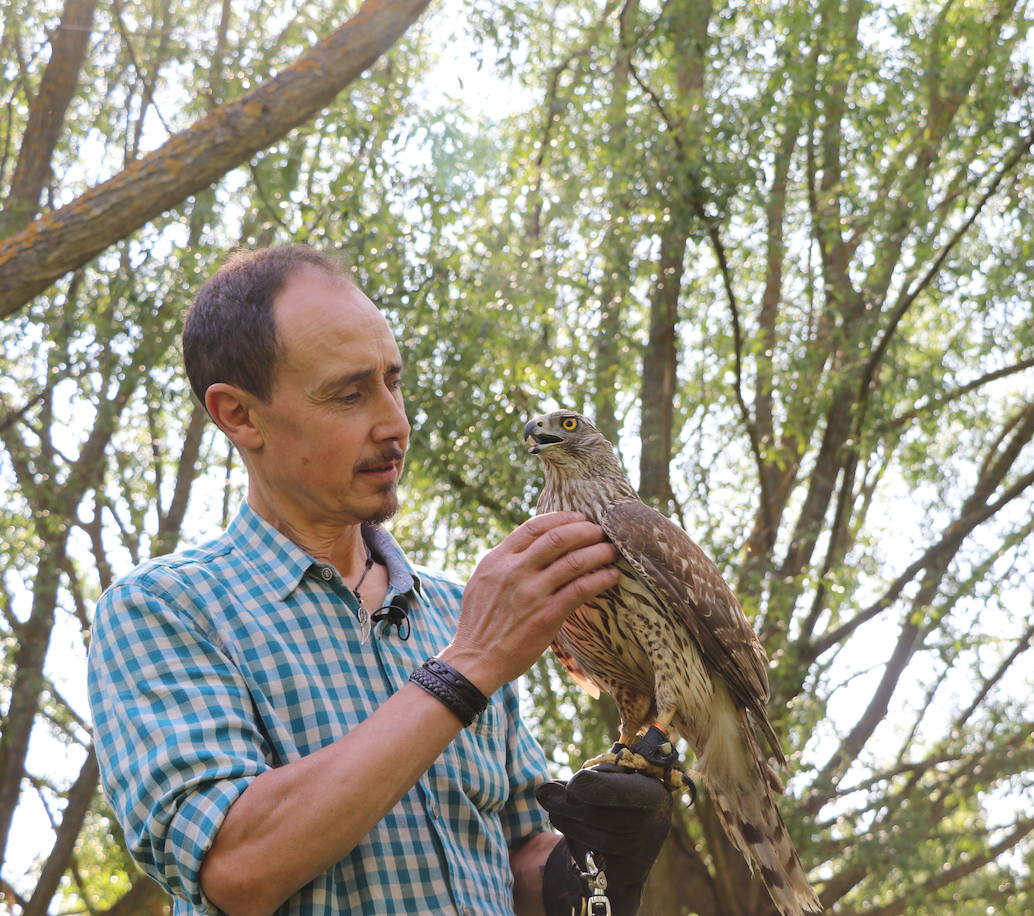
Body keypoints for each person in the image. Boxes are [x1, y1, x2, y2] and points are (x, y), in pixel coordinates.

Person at [87, 245, 670, 916]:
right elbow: (236, 865)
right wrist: (467, 667)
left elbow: (515, 858)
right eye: (349, 393)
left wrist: (592, 865)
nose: (394, 423)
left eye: (393, 381)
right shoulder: (165, 609)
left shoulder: (460, 611)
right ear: (239, 415)